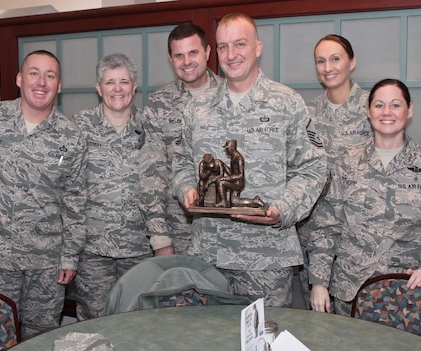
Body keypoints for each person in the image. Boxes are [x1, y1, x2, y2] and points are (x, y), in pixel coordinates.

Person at [172, 12, 327, 307]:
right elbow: (180, 163)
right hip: (209, 255)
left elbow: (313, 168)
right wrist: (186, 189)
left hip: (266, 258)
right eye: (223, 47)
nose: (231, 55)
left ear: (257, 47)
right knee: (207, 339)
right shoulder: (197, 108)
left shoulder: (286, 103)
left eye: (239, 44)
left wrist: (283, 209)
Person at [0, 50, 87, 337]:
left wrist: (70, 256)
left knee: (41, 336)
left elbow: (75, 200)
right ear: (19, 78)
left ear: (59, 85)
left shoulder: (71, 136)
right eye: (33, 73)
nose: (41, 82)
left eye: (50, 75)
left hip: (46, 262)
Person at [305, 79, 421, 315]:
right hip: (349, 293)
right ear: (368, 110)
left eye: (395, 105)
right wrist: (319, 282)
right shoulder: (348, 162)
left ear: (410, 109)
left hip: (407, 294)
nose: (387, 112)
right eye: (379, 105)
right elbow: (327, 226)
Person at [72, 53, 170, 320]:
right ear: (98, 88)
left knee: (136, 319)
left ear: (134, 87)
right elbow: (67, 186)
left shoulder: (149, 126)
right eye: (110, 82)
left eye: (124, 81)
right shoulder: (79, 126)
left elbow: (161, 183)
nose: (117, 88)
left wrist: (163, 238)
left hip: (138, 247)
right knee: (94, 319)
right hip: (92, 248)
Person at [296, 34, 372, 309]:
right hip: (314, 233)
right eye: (321, 61)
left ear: (352, 62)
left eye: (336, 58)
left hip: (359, 235)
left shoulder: (373, 108)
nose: (328, 67)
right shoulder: (307, 113)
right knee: (318, 321)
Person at [144, 22, 224, 254]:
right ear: (170, 59)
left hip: (227, 232)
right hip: (179, 231)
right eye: (179, 55)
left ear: (208, 52)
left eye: (193, 52)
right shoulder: (159, 105)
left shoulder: (230, 95)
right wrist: (160, 238)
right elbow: (152, 175)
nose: (187, 61)